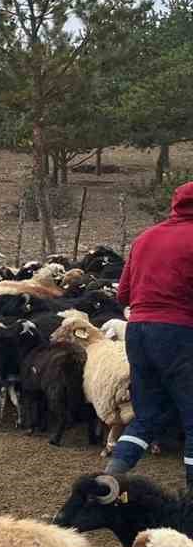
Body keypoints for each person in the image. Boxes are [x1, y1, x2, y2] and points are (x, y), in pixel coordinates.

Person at [103, 182, 193, 489]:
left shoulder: (145, 238)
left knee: (147, 415)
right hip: (178, 334)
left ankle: (110, 478)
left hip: (138, 331)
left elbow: (123, 294)